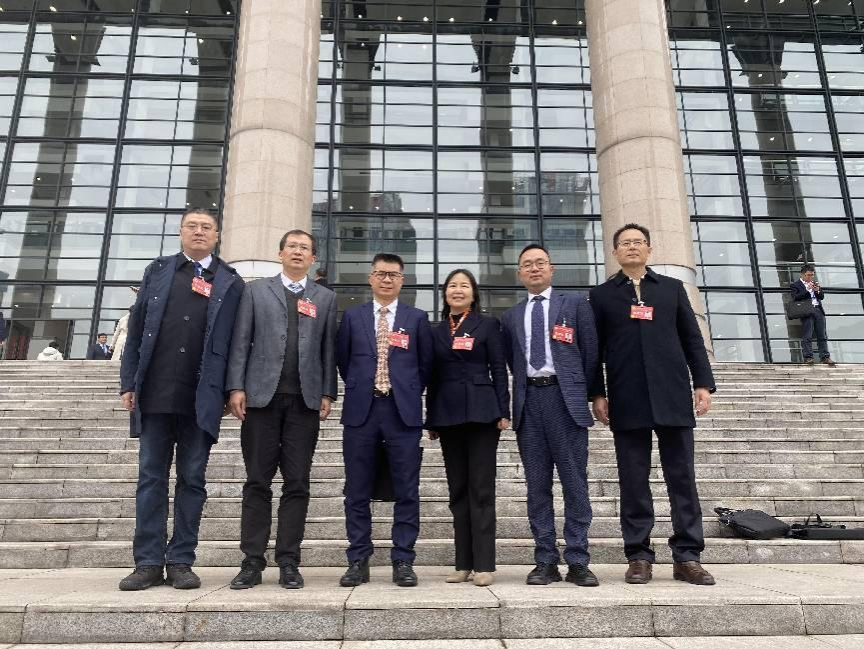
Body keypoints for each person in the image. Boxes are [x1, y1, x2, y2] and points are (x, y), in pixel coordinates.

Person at [118, 207, 244, 591]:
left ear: (217, 235)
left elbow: (237, 342)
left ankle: (181, 561)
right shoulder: (157, 271)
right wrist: (128, 382)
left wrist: (232, 389)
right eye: (192, 226)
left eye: (206, 227)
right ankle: (147, 562)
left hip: (201, 397)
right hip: (155, 392)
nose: (199, 231)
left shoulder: (230, 281)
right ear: (181, 232)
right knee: (150, 478)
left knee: (192, 479)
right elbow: (137, 329)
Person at [589, 223, 716, 587]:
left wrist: (703, 383)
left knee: (682, 478)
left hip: (672, 394)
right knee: (633, 480)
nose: (632, 247)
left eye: (638, 242)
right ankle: (638, 556)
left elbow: (692, 339)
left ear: (648, 249)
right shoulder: (601, 296)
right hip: (627, 397)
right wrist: (598, 393)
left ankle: (687, 556)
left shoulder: (672, 289)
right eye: (625, 243)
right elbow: (594, 350)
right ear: (615, 252)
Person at [225, 230, 338, 590]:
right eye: (292, 247)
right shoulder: (256, 291)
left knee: (297, 483)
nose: (298, 252)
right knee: (257, 481)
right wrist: (236, 387)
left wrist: (328, 391)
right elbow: (241, 340)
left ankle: (289, 560)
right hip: (261, 398)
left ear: (313, 258)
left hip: (304, 401)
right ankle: (252, 561)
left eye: (305, 248)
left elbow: (328, 349)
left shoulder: (325, 297)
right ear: (280, 253)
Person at [500, 244, 599, 587]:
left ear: (551, 268)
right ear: (519, 273)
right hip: (529, 403)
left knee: (574, 482)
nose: (534, 268)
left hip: (565, 400)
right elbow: (511, 362)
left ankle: (578, 560)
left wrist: (589, 394)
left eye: (540, 263)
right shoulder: (511, 316)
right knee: (537, 486)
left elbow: (590, 353)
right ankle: (545, 560)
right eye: (527, 264)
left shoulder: (575, 304)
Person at [336, 253, 434, 587]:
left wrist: (406, 390)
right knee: (357, 490)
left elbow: (425, 365)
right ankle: (358, 559)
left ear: (402, 280)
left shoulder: (416, 318)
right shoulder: (353, 317)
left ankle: (403, 559)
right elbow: (343, 360)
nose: (387, 279)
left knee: (407, 489)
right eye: (381, 273)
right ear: (371, 278)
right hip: (361, 412)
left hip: (401, 413)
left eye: (393, 274)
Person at [425, 269, 510, 587]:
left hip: (482, 413)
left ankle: (484, 564)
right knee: (458, 490)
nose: (457, 290)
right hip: (447, 415)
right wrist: (432, 418)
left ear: (473, 294)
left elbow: (498, 369)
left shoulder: (487, 325)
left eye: (464, 285)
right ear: (445, 293)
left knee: (482, 489)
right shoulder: (435, 330)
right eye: (452, 285)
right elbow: (432, 376)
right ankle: (463, 563)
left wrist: (503, 410)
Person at [791, 264, 836, 367]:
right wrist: (807, 290)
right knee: (807, 335)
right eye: (808, 275)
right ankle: (808, 357)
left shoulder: (815, 283)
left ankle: (825, 357)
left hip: (818, 310)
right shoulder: (795, 285)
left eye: (812, 275)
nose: (810, 277)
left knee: (822, 335)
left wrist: (817, 290)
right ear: (802, 274)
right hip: (807, 311)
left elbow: (822, 297)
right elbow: (795, 297)